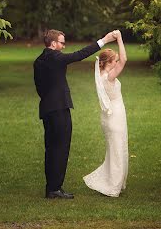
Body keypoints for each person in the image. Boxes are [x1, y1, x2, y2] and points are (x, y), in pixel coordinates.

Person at [33, 29, 117, 199]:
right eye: (62, 43)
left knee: (51, 149)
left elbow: (40, 88)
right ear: (53, 43)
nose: (64, 46)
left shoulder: (39, 60)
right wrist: (103, 41)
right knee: (61, 148)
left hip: (47, 108)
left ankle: (52, 187)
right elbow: (79, 55)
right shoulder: (55, 57)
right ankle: (55, 188)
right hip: (58, 109)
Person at [83, 29, 128, 197]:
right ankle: (113, 186)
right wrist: (120, 38)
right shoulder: (109, 76)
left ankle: (113, 180)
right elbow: (124, 59)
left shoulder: (101, 74)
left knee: (114, 149)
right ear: (109, 61)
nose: (117, 62)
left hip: (110, 117)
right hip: (114, 116)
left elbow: (121, 59)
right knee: (117, 150)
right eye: (115, 60)